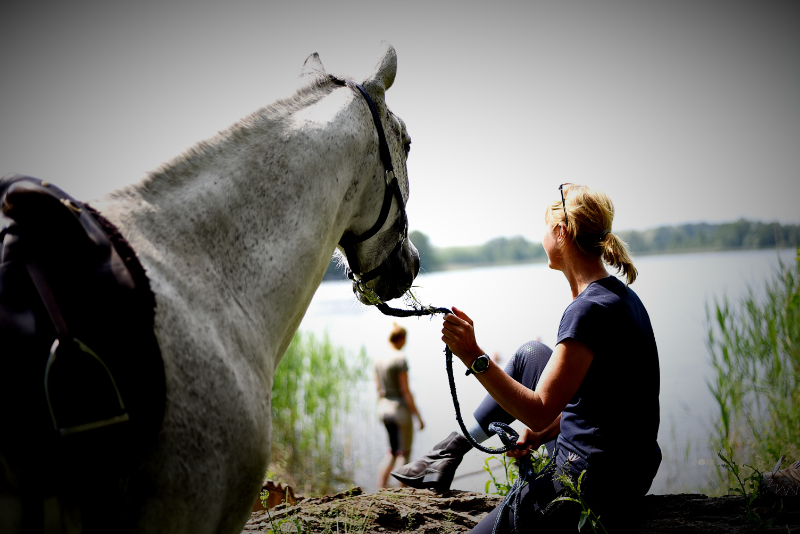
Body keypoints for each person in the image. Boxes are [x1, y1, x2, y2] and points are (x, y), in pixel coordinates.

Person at [392, 184, 661, 531]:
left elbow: (538, 410)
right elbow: (614, 409)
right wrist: (546, 433)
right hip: (631, 473)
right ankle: (447, 453)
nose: (543, 236)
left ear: (561, 233)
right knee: (531, 354)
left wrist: (474, 356)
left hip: (589, 483)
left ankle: (444, 456)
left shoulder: (587, 310)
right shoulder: (623, 298)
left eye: (546, 227)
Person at [375, 323, 424, 488]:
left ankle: (380, 489)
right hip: (399, 411)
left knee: (391, 451)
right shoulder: (400, 358)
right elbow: (405, 391)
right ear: (402, 339)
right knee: (404, 453)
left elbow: (378, 390)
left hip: (383, 410)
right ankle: (402, 494)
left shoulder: (378, 358)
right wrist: (418, 416)